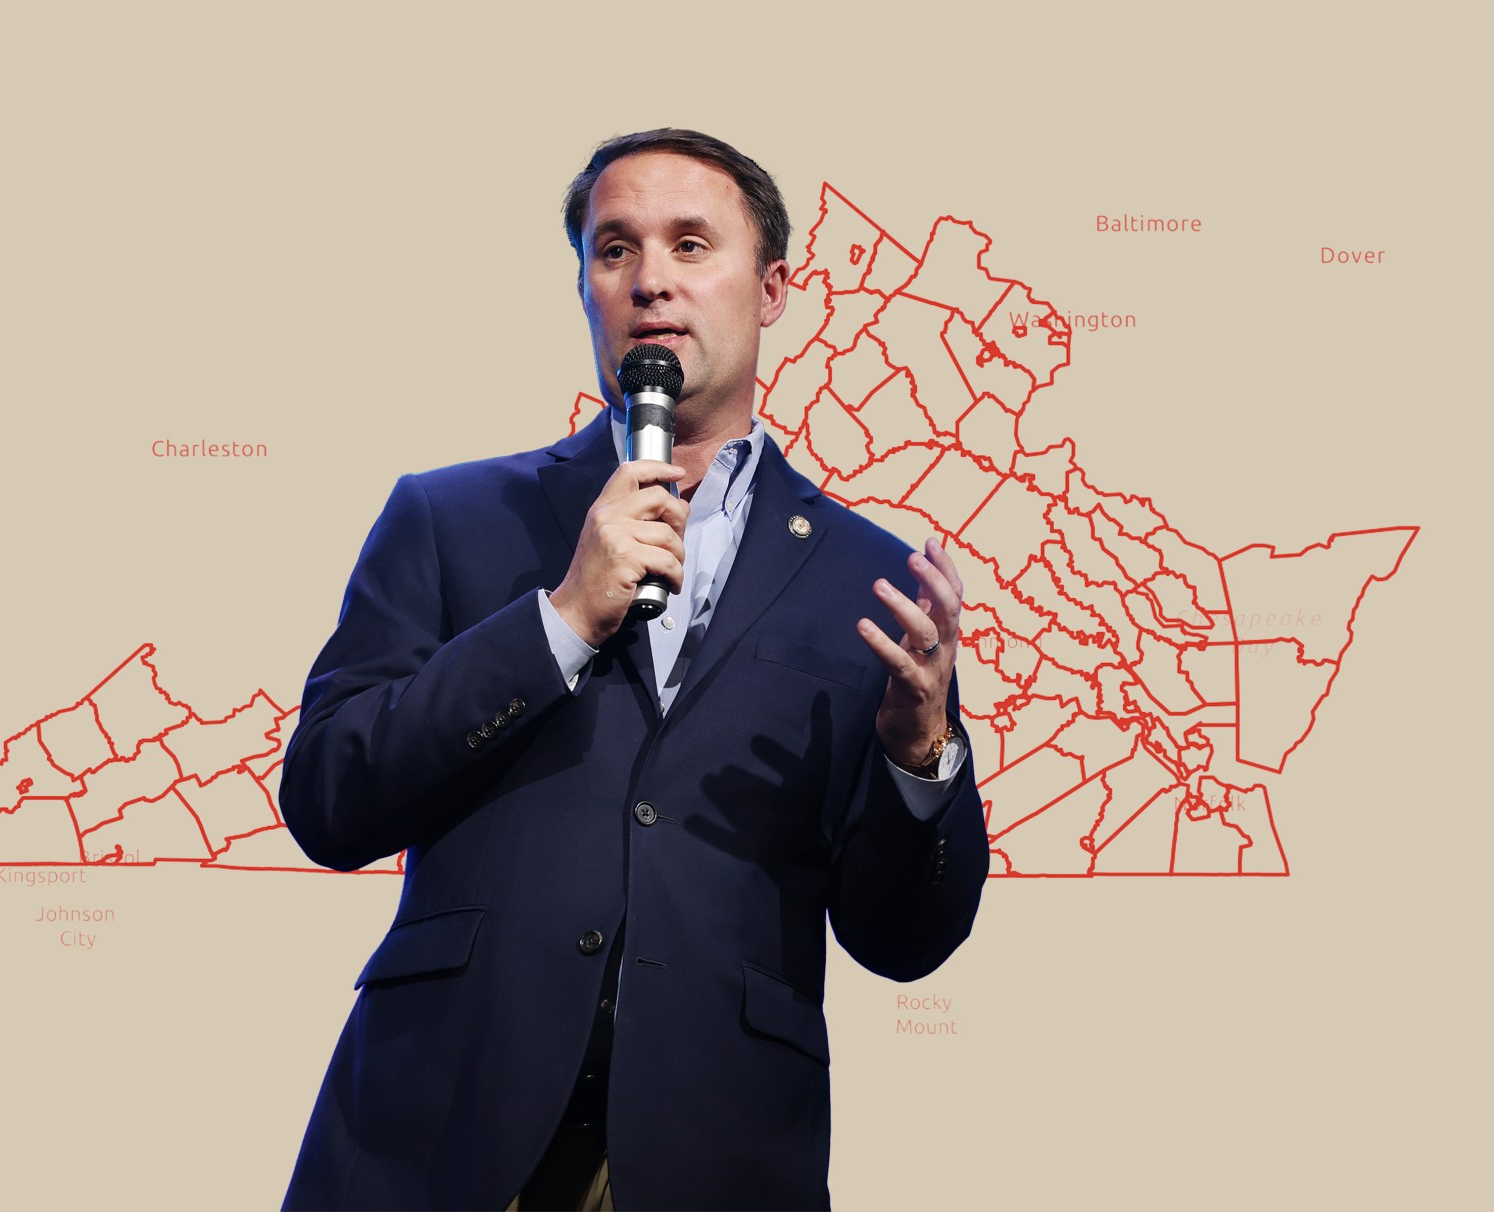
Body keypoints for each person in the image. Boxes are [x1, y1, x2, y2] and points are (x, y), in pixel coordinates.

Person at [278, 128, 989, 1211]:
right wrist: (560, 622)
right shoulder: (449, 518)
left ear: (774, 288)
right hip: (439, 1139)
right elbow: (330, 800)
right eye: (615, 250)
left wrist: (919, 753)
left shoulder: (872, 580)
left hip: (719, 1150)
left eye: (692, 244)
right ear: (583, 289)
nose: (651, 278)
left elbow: (904, 941)